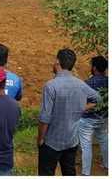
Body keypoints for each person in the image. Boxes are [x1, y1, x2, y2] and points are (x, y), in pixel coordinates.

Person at [37, 48, 100, 176]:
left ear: (57, 62)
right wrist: (82, 107)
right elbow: (97, 98)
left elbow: (45, 118)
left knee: (46, 174)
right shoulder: (81, 85)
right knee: (69, 172)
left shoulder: (51, 86)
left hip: (51, 142)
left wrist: (40, 139)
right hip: (72, 141)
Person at [79, 56, 108, 175]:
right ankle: (107, 164)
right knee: (104, 139)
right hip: (104, 117)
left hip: (88, 119)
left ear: (94, 68)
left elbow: (82, 101)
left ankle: (86, 173)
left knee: (86, 145)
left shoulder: (88, 83)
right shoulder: (108, 81)